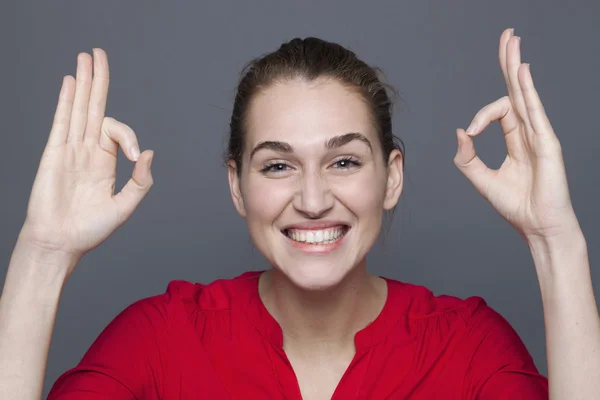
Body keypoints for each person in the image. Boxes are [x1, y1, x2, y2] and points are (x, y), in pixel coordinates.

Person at [0, 27, 597, 400]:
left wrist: (555, 240)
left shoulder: (467, 349)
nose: (312, 200)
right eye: (278, 166)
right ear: (237, 185)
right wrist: (43, 254)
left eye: (343, 162)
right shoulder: (161, 341)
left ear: (392, 177)